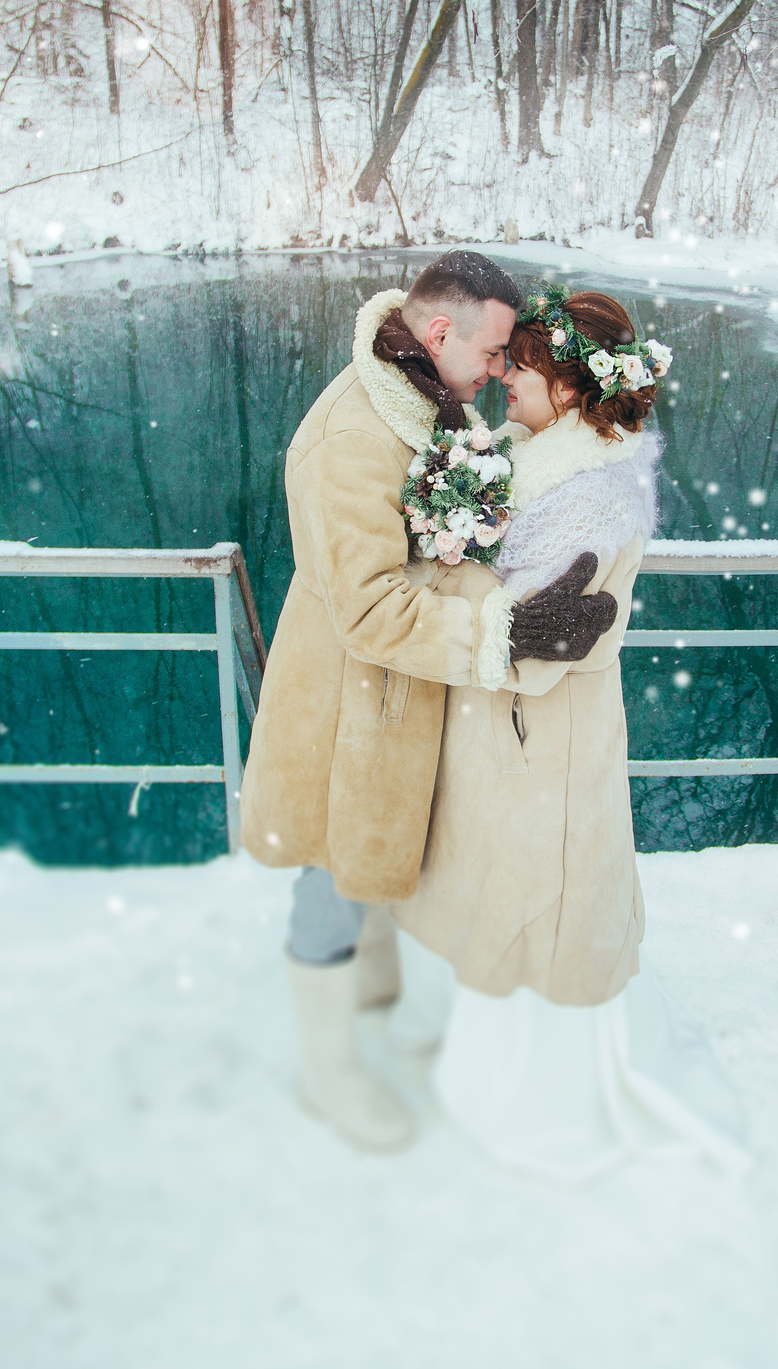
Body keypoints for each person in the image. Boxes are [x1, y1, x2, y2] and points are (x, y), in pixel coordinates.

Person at [240, 253, 622, 1153]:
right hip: (344, 700)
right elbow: (370, 607)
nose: (501, 369)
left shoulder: (423, 398)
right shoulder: (351, 438)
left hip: (395, 691)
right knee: (332, 870)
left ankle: (370, 997)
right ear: (441, 333)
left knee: (370, 851)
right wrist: (506, 634)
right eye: (493, 350)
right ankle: (328, 1072)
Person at [393, 286, 750, 1180]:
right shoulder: (540, 457)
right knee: (511, 909)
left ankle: (538, 1098)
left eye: (525, 367)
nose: (504, 375)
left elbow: (538, 649)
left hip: (538, 748)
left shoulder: (592, 501)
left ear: (569, 393)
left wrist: (446, 575)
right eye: (507, 359)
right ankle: (494, 1067)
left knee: (534, 914)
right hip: (520, 741)